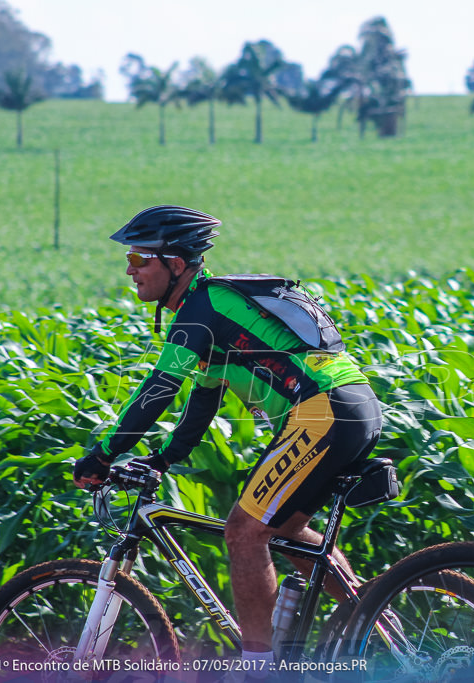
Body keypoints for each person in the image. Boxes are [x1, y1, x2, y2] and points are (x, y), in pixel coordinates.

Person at [72, 205, 382, 673]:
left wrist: (100, 455)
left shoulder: (204, 307)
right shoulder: (214, 307)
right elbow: (203, 402)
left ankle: (258, 667)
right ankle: (380, 626)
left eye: (140, 260)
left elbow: (159, 388)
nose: (130, 271)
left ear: (175, 264)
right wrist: (164, 459)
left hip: (321, 411)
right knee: (288, 531)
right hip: (350, 406)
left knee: (244, 532)